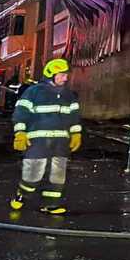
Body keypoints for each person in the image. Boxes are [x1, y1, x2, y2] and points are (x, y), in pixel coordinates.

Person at [9, 58, 81, 215]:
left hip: (60, 142)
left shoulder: (69, 95)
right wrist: (20, 133)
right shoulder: (34, 92)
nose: (65, 78)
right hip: (38, 141)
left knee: (57, 175)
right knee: (33, 171)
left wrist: (76, 133)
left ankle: (51, 204)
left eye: (66, 75)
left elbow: (74, 117)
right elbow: (21, 113)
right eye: (62, 75)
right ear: (51, 75)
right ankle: (22, 195)